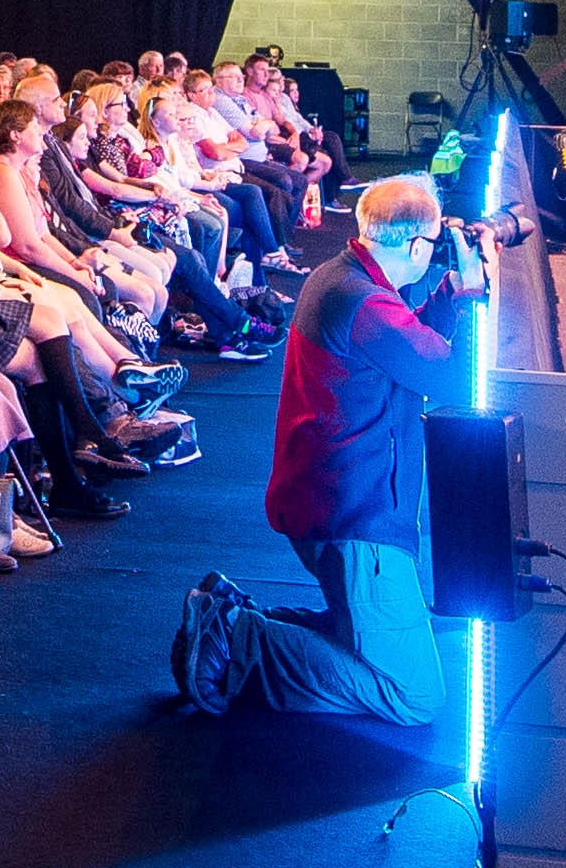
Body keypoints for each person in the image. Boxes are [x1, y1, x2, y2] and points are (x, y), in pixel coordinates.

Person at [168, 177, 468, 727]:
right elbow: (448, 374)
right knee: (414, 695)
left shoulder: (339, 278)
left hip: (329, 502)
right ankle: (239, 639)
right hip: (356, 518)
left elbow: (408, 350)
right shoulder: (364, 302)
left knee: (364, 637)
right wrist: (469, 299)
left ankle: (235, 617)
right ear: (417, 246)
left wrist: (449, 296)